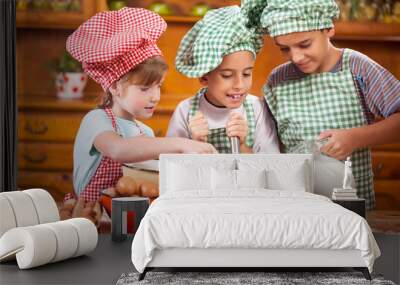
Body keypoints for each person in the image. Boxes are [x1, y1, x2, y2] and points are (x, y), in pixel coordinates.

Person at [242, 0, 400, 209]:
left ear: (328, 29)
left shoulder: (357, 68)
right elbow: (270, 147)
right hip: (297, 205)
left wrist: (353, 138)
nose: (296, 57)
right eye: (285, 49)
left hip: (349, 207)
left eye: (305, 44)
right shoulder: (277, 80)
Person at [62, 8, 216, 219]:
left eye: (159, 86)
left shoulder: (145, 132)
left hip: (130, 218)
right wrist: (182, 143)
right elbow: (118, 149)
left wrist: (194, 143)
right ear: (115, 87)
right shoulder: (97, 120)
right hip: (90, 217)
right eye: (145, 89)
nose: (155, 96)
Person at [167, 6, 279, 154]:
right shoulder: (185, 111)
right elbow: (171, 166)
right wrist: (195, 144)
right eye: (227, 75)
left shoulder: (257, 108)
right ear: (203, 76)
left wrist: (244, 146)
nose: (239, 85)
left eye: (246, 74)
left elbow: (271, 165)